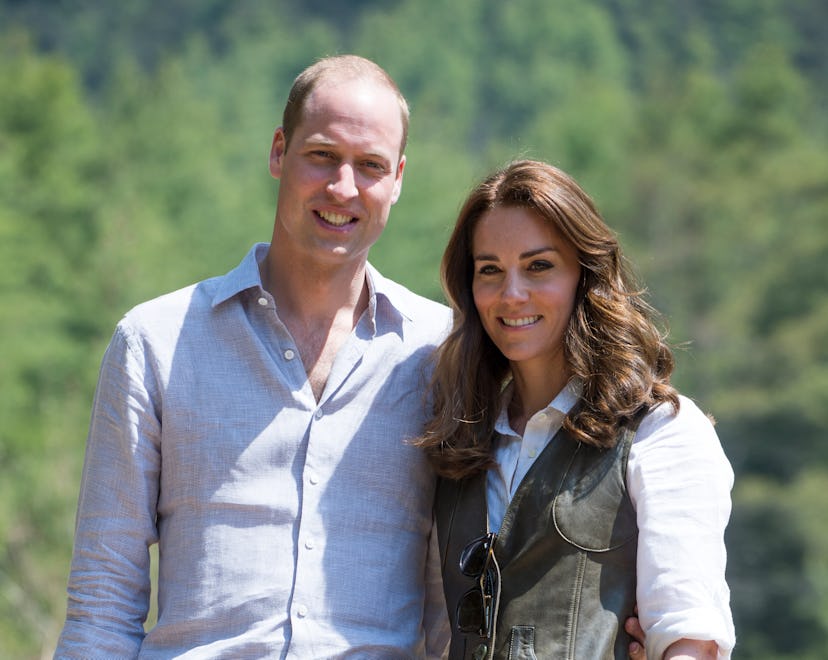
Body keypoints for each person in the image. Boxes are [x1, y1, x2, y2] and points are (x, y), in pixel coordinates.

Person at [55, 54, 453, 658]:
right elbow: (103, 602)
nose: (343, 187)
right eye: (322, 155)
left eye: (369, 166)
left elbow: (455, 606)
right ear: (278, 152)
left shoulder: (442, 352)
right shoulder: (156, 342)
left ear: (397, 179)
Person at [416, 160, 735, 659]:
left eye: (539, 266)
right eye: (490, 271)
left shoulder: (661, 431)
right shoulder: (459, 443)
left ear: (584, 276)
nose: (511, 293)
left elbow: (690, 634)